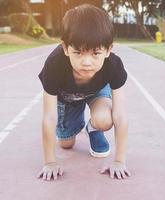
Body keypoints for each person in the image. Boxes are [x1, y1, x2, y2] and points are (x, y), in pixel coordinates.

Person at [36, 4, 131, 181]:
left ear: (109, 49)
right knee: (66, 144)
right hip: (67, 99)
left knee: (105, 119)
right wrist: (49, 162)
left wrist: (119, 161)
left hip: (97, 91)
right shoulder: (54, 65)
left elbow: (120, 115)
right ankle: (75, 122)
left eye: (96, 53)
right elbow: (49, 116)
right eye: (78, 52)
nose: (87, 62)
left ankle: (93, 128)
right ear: (65, 48)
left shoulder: (114, 65)